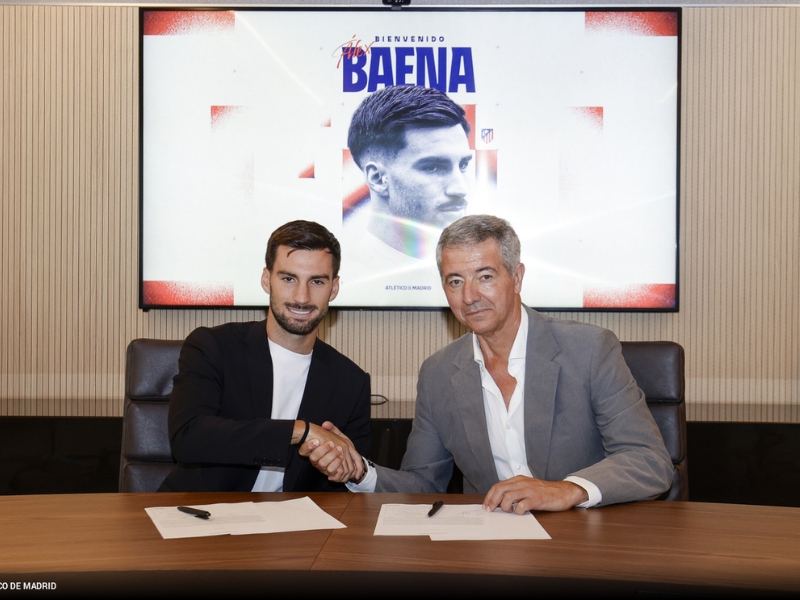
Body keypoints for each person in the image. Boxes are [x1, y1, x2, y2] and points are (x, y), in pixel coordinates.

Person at [303, 215, 673, 511]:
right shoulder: (438, 373)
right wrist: (360, 471)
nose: (470, 296)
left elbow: (648, 460)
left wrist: (566, 490)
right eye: (455, 281)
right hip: (490, 547)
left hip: (583, 539)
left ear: (517, 277)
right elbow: (423, 484)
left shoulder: (590, 349)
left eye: (485, 276)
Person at [159, 220, 369, 492]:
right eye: (288, 278)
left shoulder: (351, 381)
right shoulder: (214, 347)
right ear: (266, 280)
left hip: (291, 524)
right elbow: (188, 438)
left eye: (317, 281)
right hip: (203, 515)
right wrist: (299, 431)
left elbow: (348, 482)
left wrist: (342, 468)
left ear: (334, 288)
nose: (302, 297)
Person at [335, 85, 474, 307]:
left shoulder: (481, 279)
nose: (460, 188)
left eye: (464, 165)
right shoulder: (342, 280)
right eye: (433, 167)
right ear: (378, 178)